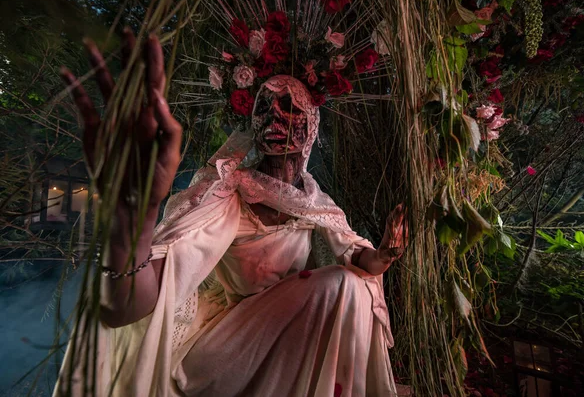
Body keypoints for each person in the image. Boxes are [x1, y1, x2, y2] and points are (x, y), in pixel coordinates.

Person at [56, 29, 407, 397]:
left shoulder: (315, 202)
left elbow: (356, 257)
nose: (274, 119)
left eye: (289, 108)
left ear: (313, 127)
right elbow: (132, 305)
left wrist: (382, 255)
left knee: (352, 285)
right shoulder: (227, 193)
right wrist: (132, 223)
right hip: (224, 350)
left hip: (285, 343)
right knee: (340, 283)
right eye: (263, 110)